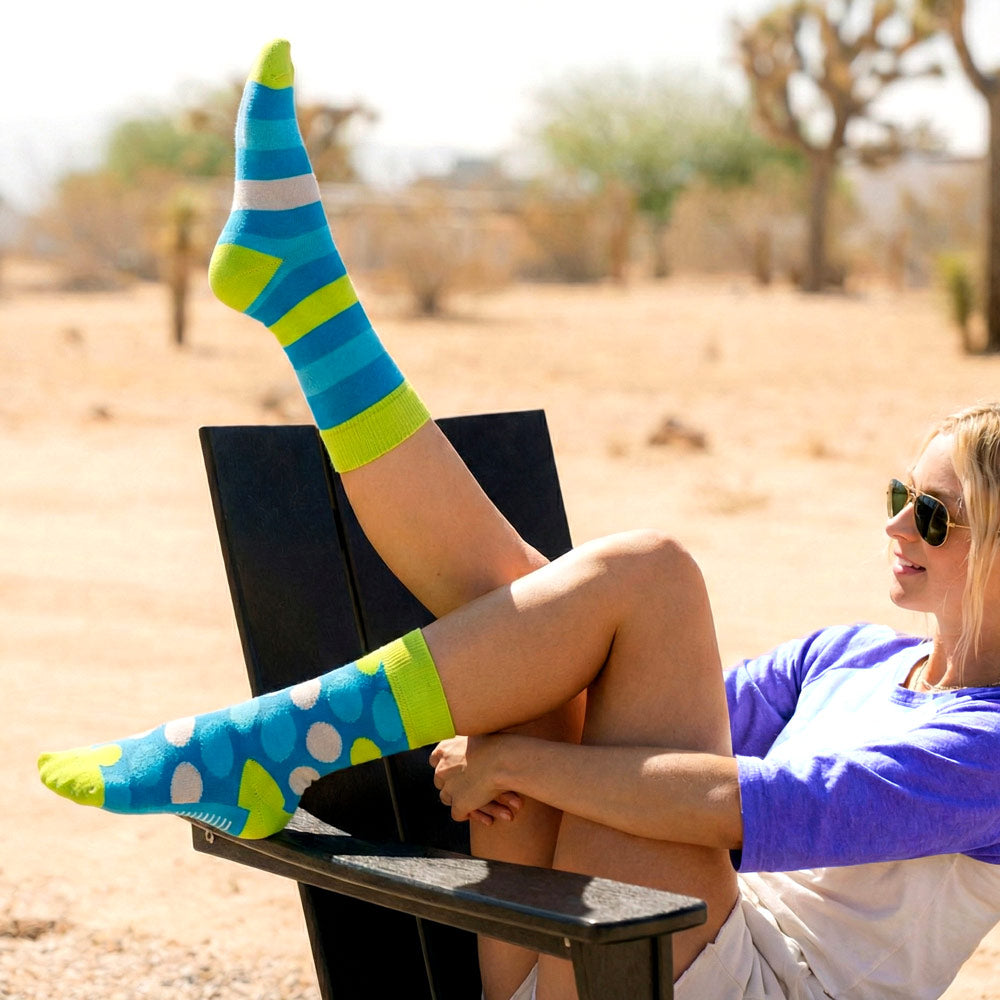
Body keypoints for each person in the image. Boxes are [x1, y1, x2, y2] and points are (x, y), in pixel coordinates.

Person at [37, 39, 1000, 1000]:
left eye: (931, 515)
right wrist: (536, 739)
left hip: (752, 982)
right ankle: (308, 305)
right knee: (549, 630)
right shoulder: (844, 664)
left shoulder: (989, 751)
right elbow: (614, 723)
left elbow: (734, 805)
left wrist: (517, 761)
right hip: (607, 947)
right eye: (896, 500)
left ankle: (267, 740)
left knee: (656, 577)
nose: (895, 531)